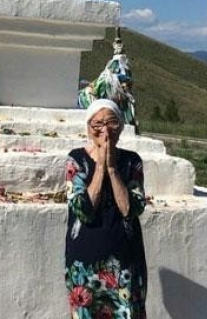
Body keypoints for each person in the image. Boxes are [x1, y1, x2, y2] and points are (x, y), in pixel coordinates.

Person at [65, 99, 148, 319]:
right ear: (88, 128)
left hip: (124, 259)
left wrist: (112, 168)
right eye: (98, 124)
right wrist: (100, 166)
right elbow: (83, 209)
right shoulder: (76, 160)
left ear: (120, 126)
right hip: (85, 260)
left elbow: (131, 209)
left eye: (111, 122)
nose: (105, 130)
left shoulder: (132, 162)